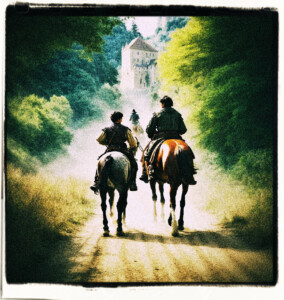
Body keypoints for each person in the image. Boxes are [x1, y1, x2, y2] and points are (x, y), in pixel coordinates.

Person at [139, 96, 196, 184]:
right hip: (176, 136)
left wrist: (152, 134)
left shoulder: (157, 114)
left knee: (147, 153)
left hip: (161, 137)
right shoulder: (177, 114)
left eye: (161, 103)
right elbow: (183, 130)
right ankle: (190, 173)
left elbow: (149, 129)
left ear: (163, 104)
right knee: (188, 152)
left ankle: (146, 173)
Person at [90, 111, 138, 193]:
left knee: (100, 162)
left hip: (110, 149)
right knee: (134, 164)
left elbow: (99, 139)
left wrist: (107, 143)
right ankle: (133, 183)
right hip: (122, 150)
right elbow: (133, 144)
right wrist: (131, 148)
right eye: (121, 118)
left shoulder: (106, 129)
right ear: (119, 119)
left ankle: (96, 182)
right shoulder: (125, 129)